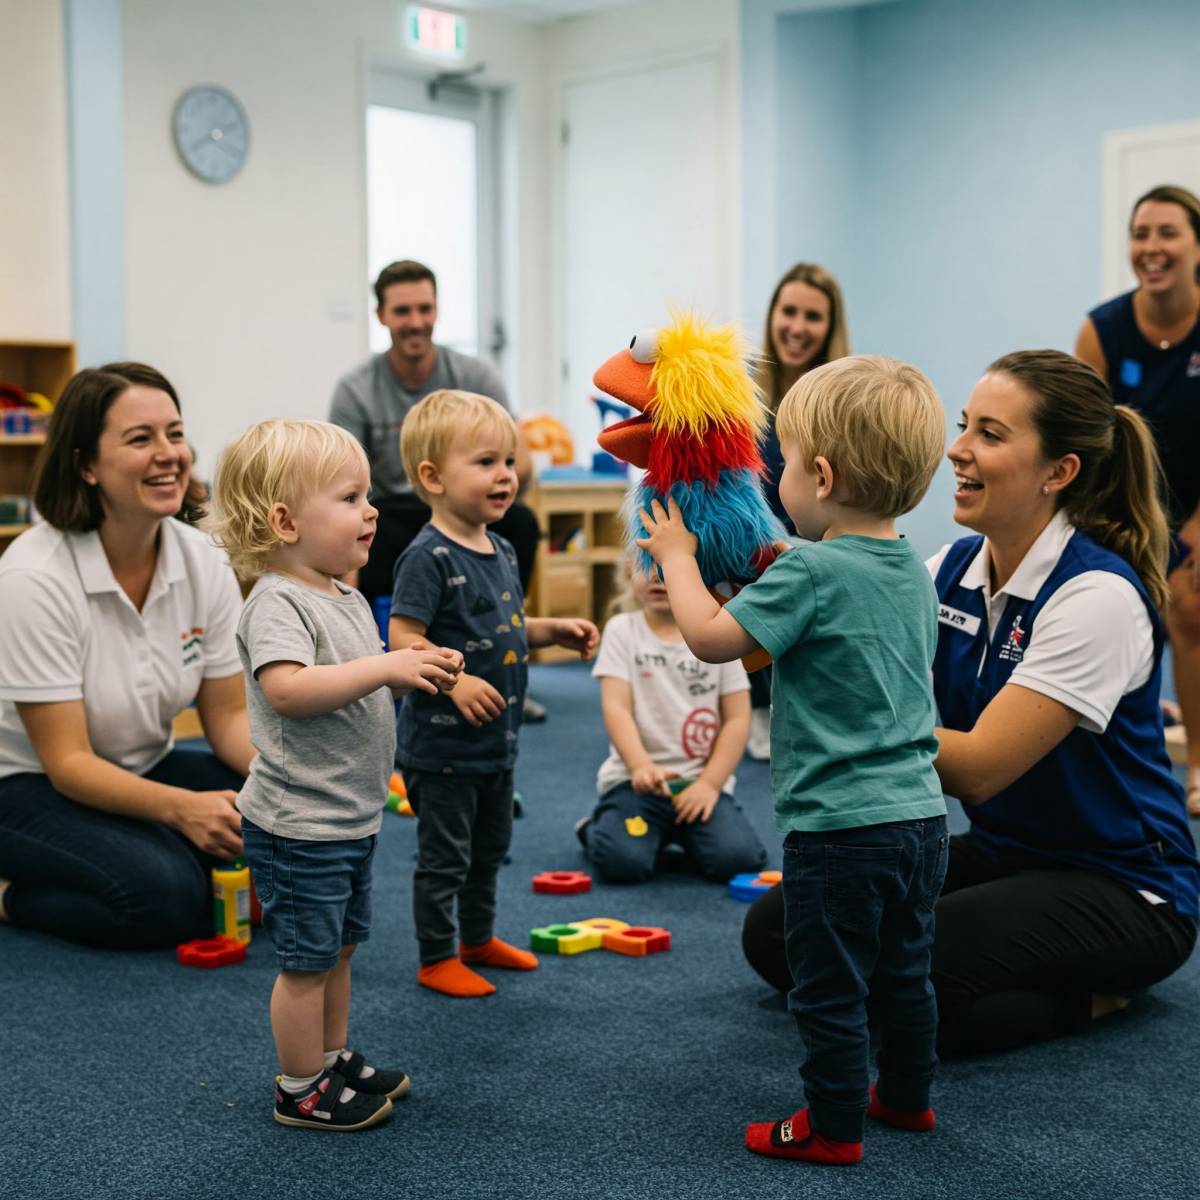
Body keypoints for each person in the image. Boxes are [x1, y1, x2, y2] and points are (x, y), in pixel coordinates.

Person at [742, 350, 1200, 1058]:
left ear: (1059, 472)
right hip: (1007, 851)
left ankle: (1100, 992)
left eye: (990, 433)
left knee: (907, 989)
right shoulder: (945, 569)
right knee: (783, 931)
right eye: (963, 426)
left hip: (1122, 884)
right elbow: (793, 637)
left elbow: (982, 768)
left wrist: (839, 720)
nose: (956, 449)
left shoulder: (1096, 597)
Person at [638, 356, 947, 1166]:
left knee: (828, 983)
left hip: (838, 829)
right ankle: (907, 1100)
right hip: (921, 818)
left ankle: (832, 1125)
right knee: (906, 972)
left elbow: (712, 641)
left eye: (781, 466)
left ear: (820, 474)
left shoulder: (808, 569)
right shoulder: (914, 572)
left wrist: (677, 553)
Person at [209, 419, 463, 1132]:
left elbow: (352, 685)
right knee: (305, 961)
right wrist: (386, 665)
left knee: (339, 948)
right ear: (285, 521)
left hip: (347, 816)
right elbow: (289, 688)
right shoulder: (277, 603)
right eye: (350, 497)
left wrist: (409, 672)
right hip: (299, 825)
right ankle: (299, 1087)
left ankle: (330, 1054)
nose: (372, 510)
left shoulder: (342, 595)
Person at [0, 363, 254, 949]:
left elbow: (230, 720)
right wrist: (181, 811)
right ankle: (7, 895)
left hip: (139, 764)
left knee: (277, 830)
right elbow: (68, 763)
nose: (169, 454)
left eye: (175, 432)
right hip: (28, 783)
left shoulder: (204, 560)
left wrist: (290, 783)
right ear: (87, 464)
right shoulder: (33, 577)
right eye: (141, 439)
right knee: (163, 897)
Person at [387, 389, 598, 997]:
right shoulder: (426, 556)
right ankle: (436, 957)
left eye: (508, 460)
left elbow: (499, 631)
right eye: (485, 462)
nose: (504, 474)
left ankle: (477, 940)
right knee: (446, 860)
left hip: (496, 747)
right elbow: (405, 640)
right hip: (443, 749)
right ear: (433, 477)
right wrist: (456, 682)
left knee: (490, 854)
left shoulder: (501, 546)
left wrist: (549, 631)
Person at [1074, 184, 1200, 815]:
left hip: (1196, 510)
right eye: (1140, 234)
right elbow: (1084, 438)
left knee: (1190, 605)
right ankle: (1117, 755)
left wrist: (1195, 534)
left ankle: (1198, 764)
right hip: (1121, 503)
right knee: (1109, 607)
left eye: (1167, 233)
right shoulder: (1102, 329)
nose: (1152, 248)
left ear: (1196, 245)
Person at [576, 556, 767, 883]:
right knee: (623, 864)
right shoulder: (623, 630)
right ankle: (597, 827)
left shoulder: (723, 634)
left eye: (669, 570)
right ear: (627, 576)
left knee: (739, 859)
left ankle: (665, 837)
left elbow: (737, 720)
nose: (657, 578)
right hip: (636, 784)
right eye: (646, 567)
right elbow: (616, 708)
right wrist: (639, 767)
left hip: (700, 784)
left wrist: (709, 784)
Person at [746, 262, 852, 758]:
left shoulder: (843, 396)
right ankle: (753, 707)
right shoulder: (743, 390)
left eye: (813, 316)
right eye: (788, 311)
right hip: (746, 537)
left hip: (815, 539)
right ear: (772, 316)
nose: (797, 327)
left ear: (830, 328)